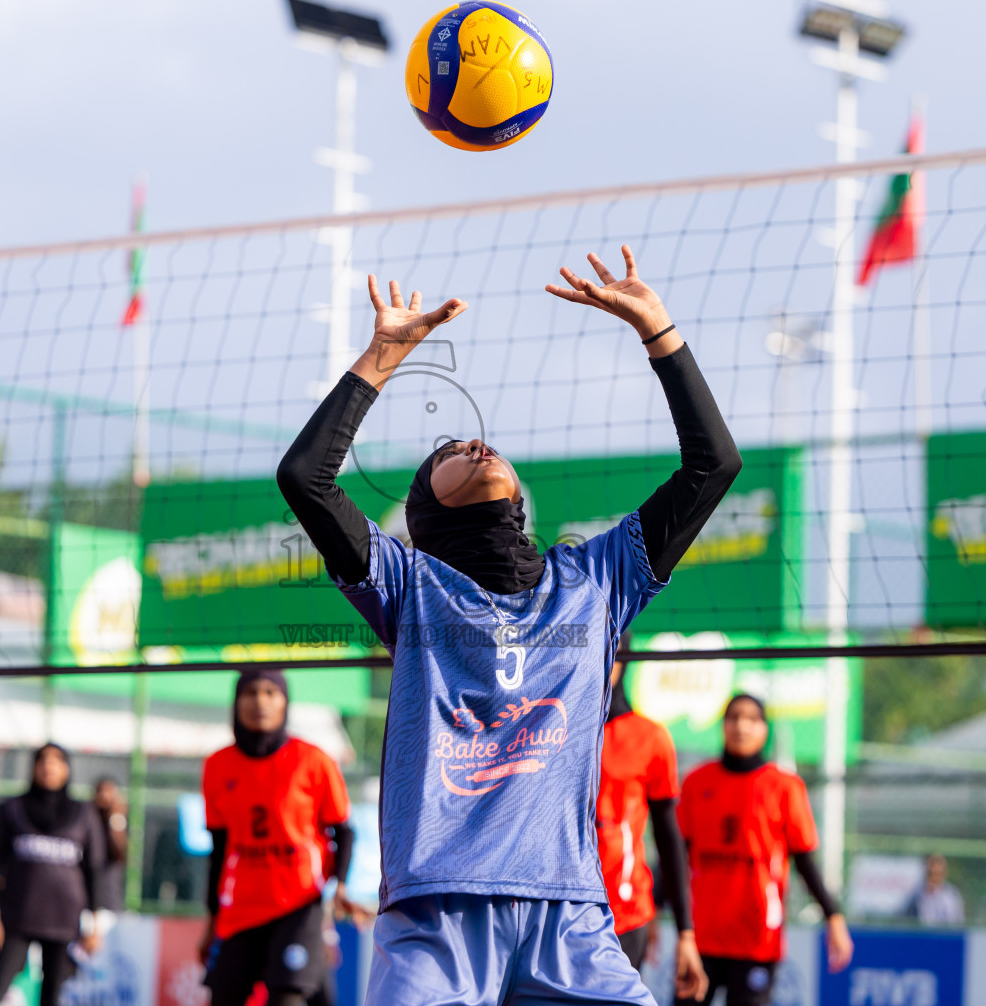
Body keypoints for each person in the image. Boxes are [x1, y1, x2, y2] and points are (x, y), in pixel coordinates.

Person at [275, 247, 741, 1005]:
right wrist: (381, 357)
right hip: (439, 910)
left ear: (518, 498)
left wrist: (659, 332)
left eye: (481, 446)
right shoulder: (410, 584)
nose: (474, 443)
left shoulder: (594, 579)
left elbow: (712, 465)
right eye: (447, 453)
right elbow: (306, 479)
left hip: (571, 918)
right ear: (425, 514)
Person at [201, 669, 365, 1006]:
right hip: (242, 908)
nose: (259, 701)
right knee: (222, 997)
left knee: (288, 996)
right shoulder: (218, 765)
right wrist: (211, 920)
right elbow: (218, 850)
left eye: (269, 692)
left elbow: (344, 830)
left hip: (299, 903)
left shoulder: (313, 760)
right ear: (236, 701)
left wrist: (341, 887)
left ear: (285, 703)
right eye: (250, 692)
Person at [676, 694, 853, 1006]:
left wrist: (833, 915)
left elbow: (805, 860)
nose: (741, 726)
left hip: (756, 938)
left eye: (751, 718)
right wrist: (655, 915)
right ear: (722, 725)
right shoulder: (696, 782)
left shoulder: (784, 786)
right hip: (700, 937)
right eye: (733, 717)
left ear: (764, 728)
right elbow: (674, 858)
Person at [597, 658, 704, 996]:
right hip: (558, 908)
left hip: (624, 915)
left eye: (608, 652)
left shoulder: (648, 737)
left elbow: (670, 839)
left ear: (621, 662)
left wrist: (685, 933)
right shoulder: (551, 725)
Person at [0, 743, 107, 1006]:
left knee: (53, 995)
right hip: (17, 918)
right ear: (33, 767)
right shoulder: (13, 809)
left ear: (67, 768)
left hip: (63, 920)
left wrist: (95, 924)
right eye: (42, 760)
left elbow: (94, 869)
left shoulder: (82, 814)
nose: (49, 767)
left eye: (57, 760)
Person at [93, 777, 129, 912]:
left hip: (109, 894)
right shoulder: (87, 820)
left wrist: (115, 818)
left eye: (109, 791)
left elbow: (121, 852)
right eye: (101, 791)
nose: (104, 796)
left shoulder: (118, 820)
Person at [906, 854, 965, 926]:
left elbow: (958, 922)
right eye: (931, 874)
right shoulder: (916, 896)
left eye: (938, 874)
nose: (934, 878)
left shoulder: (952, 895)